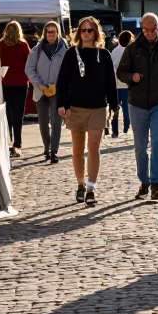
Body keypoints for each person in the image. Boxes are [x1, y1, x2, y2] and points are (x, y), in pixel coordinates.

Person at [117, 13, 158, 201]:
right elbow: (121, 72)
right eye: (145, 29)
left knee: (157, 142)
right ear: (141, 29)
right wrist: (131, 78)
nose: (150, 32)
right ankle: (144, 182)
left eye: (153, 28)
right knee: (140, 146)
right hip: (137, 103)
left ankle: (156, 184)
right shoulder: (133, 48)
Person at [56, 17, 118, 207]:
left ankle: (91, 187)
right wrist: (62, 104)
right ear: (79, 33)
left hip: (98, 107)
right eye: (84, 30)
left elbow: (110, 83)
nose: (87, 34)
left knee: (93, 147)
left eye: (90, 30)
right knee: (77, 149)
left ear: (96, 32)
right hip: (75, 107)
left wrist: (114, 106)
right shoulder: (71, 54)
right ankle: (80, 184)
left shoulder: (104, 54)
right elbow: (62, 82)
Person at [25, 21, 68, 164]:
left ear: (57, 33)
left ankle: (54, 151)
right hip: (41, 90)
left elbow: (69, 70)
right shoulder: (37, 49)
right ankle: (47, 148)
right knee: (43, 122)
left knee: (56, 121)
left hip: (58, 90)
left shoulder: (64, 48)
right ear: (45, 33)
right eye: (48, 32)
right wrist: (39, 84)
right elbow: (29, 69)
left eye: (53, 32)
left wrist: (60, 85)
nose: (51, 34)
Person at [0, 20, 32, 158]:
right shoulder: (23, 45)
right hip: (21, 82)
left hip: (7, 82)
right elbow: (28, 62)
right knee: (18, 114)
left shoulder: (0, 45)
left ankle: (10, 141)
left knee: (9, 113)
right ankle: (17, 143)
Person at [109, 30, 134, 136]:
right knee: (127, 109)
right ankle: (126, 128)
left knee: (115, 108)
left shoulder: (114, 51)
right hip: (127, 85)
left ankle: (115, 131)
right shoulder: (131, 51)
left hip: (115, 85)